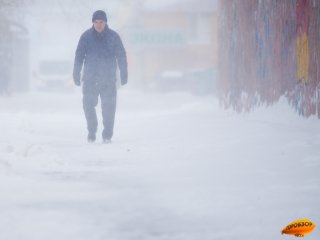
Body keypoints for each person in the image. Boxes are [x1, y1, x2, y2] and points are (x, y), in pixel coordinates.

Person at [73, 10, 128, 143]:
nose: (98, 25)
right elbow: (79, 56)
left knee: (109, 108)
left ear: (105, 22)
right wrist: (76, 72)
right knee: (88, 105)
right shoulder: (86, 37)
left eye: (101, 22)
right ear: (93, 22)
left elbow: (121, 55)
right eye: (96, 22)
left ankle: (107, 135)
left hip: (108, 79)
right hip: (90, 79)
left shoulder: (113, 37)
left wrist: (123, 72)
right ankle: (92, 131)